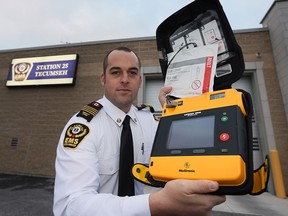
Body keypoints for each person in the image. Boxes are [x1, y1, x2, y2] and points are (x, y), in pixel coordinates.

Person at [53, 46, 225, 216]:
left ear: (140, 80)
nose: (125, 79)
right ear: (103, 79)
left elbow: (187, 151)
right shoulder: (84, 127)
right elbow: (71, 206)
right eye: (116, 72)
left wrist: (176, 114)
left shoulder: (149, 120)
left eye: (132, 73)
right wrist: (155, 204)